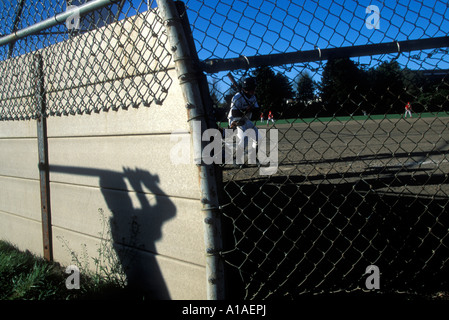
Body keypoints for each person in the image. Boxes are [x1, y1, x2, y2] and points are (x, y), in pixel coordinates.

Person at [227, 77, 260, 159]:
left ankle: (252, 156)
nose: (253, 90)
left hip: (246, 119)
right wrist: (246, 109)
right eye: (251, 88)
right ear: (246, 89)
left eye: (254, 88)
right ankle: (237, 158)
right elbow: (234, 113)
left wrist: (252, 109)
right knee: (245, 138)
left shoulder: (253, 97)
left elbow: (257, 111)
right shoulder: (237, 97)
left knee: (258, 137)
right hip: (235, 120)